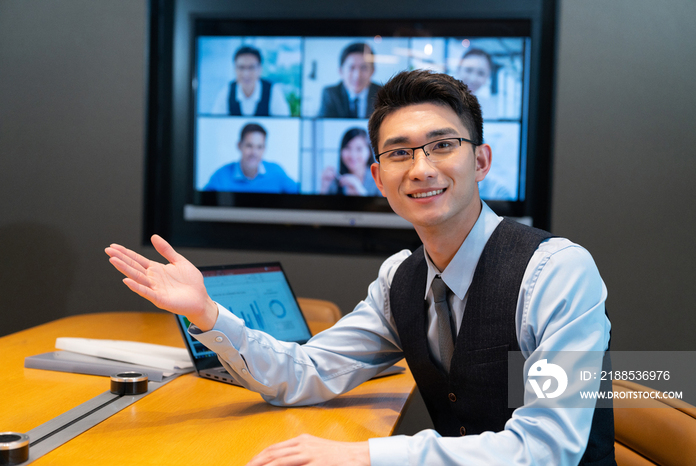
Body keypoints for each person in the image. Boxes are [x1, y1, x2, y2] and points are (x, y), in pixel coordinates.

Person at [106, 70, 614, 465]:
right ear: (378, 176)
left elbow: (549, 449)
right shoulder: (401, 279)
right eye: (399, 153)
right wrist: (208, 314)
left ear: (480, 161)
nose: (421, 167)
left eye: (442, 145)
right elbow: (302, 374)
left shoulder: (557, 273)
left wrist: (366, 454)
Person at [204, 123, 298, 194]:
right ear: (239, 146)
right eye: (249, 146)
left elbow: (300, 193)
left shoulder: (277, 172)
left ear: (264, 149)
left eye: (259, 147)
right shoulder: (221, 176)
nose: (254, 153)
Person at [211, 46, 291, 117]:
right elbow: (215, 123)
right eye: (241, 67)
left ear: (260, 69)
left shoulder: (272, 91)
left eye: (251, 67)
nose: (246, 73)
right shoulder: (226, 91)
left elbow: (284, 122)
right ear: (235, 69)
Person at [318, 43, 381, 119]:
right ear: (341, 71)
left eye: (363, 68)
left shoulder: (382, 93)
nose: (357, 75)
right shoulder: (331, 94)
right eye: (352, 68)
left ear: (372, 71)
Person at [320, 127, 381, 196]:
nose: (353, 155)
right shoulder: (335, 180)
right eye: (347, 147)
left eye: (359, 149)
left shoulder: (379, 179)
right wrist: (324, 187)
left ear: (369, 152)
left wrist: (360, 191)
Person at [455, 48, 497, 119]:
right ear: (458, 69)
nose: (473, 79)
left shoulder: (489, 108)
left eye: (481, 73)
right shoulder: (442, 101)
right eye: (468, 70)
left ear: (487, 77)